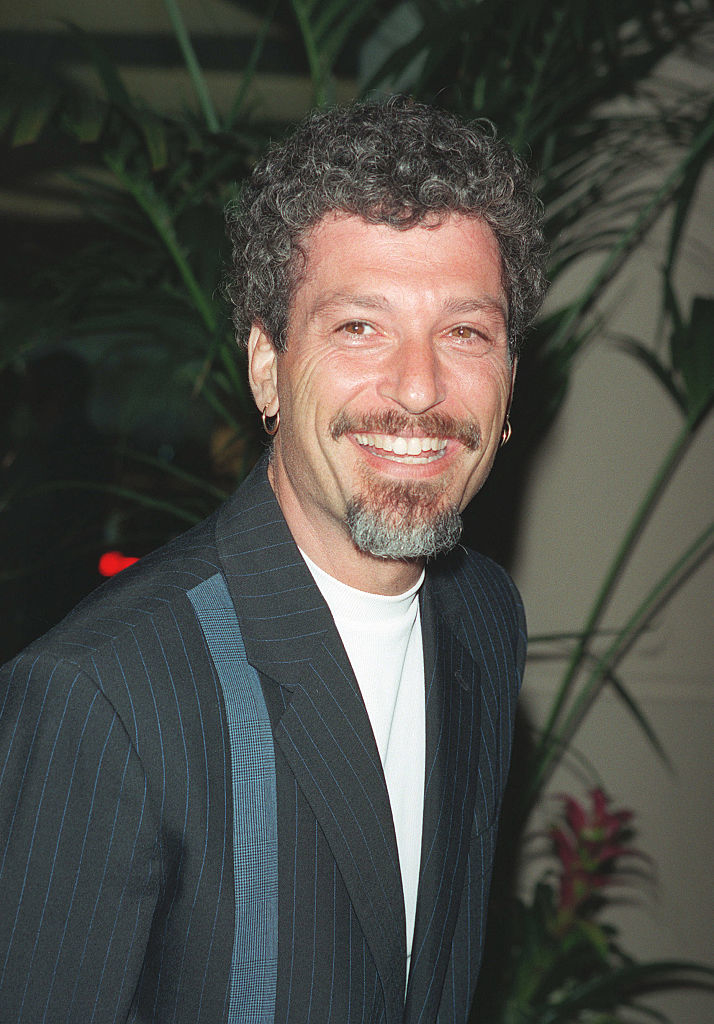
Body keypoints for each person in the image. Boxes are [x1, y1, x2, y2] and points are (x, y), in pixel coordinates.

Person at [0, 97, 547, 1023]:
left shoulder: (486, 618)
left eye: (465, 332)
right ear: (267, 366)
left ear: (510, 382)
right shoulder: (101, 695)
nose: (420, 388)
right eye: (360, 326)